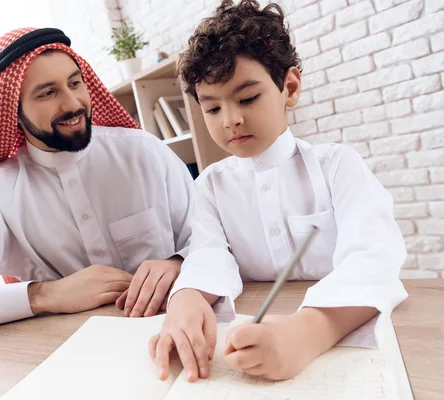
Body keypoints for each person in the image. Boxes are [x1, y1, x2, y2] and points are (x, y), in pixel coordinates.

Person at [149, 0, 408, 383]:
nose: (231, 120)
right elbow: (208, 256)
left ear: (289, 87)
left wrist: (309, 332)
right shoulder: (209, 187)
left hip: (347, 344)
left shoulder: (337, 166)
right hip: (257, 337)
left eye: (247, 98)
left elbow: (375, 257)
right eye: (212, 108)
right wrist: (186, 298)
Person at [0, 27, 195, 344]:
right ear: (13, 108)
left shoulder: (143, 153)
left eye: (75, 83)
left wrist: (178, 263)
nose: (73, 104)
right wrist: (46, 295)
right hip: (69, 353)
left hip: (179, 328)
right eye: (47, 93)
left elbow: (218, 237)